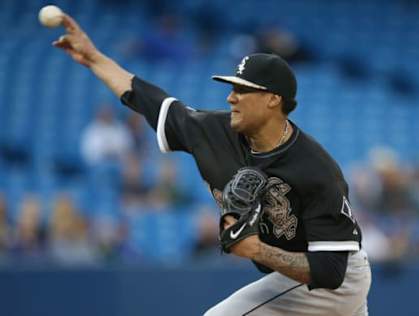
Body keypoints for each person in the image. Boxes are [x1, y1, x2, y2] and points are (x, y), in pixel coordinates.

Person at [53, 14, 371, 316]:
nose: (231, 97)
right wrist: (94, 58)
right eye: (232, 88)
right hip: (305, 276)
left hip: (335, 278)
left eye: (243, 90)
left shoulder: (316, 169)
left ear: (273, 100)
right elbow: (148, 99)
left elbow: (330, 272)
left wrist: (259, 251)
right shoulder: (212, 130)